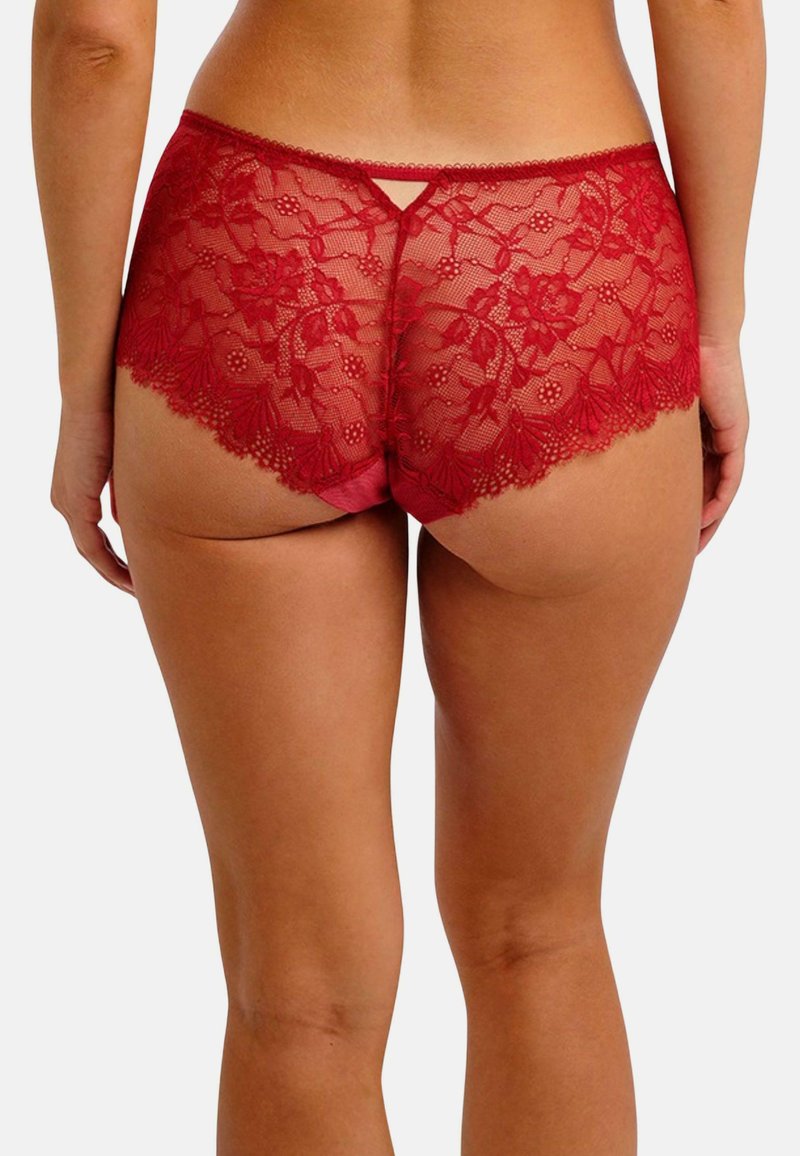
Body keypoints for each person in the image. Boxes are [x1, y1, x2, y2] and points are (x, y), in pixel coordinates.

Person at [31, 1, 765, 1152]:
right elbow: (712, 8)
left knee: (294, 991)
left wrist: (82, 384)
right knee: (538, 935)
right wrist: (716, 329)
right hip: (563, 249)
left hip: (261, 238)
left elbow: (95, 37)